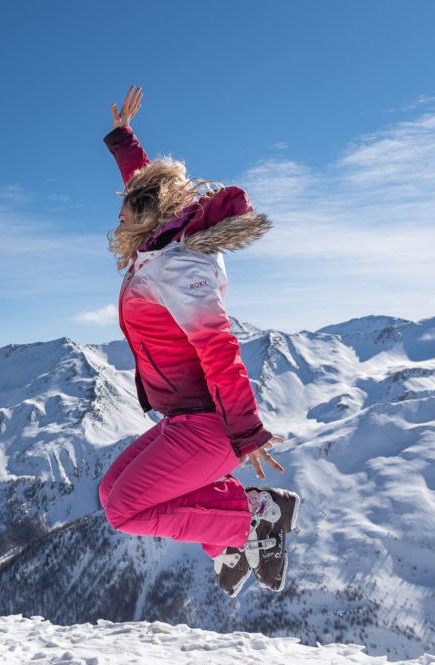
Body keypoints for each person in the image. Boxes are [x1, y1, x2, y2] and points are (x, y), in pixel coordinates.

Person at [97, 85, 301, 597]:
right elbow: (147, 194)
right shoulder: (161, 241)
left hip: (210, 425)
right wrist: (125, 141)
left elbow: (218, 347)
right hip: (183, 419)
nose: (118, 216)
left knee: (124, 510)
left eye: (126, 211)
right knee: (107, 491)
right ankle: (237, 535)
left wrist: (248, 430)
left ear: (147, 219)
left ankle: (251, 521)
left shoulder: (180, 267)